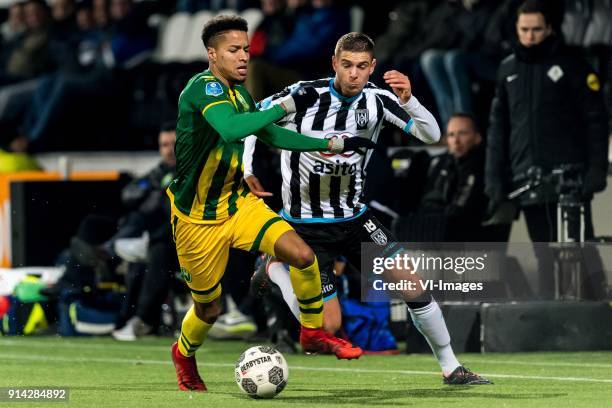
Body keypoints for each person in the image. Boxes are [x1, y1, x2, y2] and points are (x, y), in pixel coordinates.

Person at [245, 32, 490, 385]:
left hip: (356, 218)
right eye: (346, 65)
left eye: (362, 66)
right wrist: (248, 170)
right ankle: (273, 270)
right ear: (334, 64)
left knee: (413, 284)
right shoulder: (303, 95)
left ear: (372, 67)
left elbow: (431, 134)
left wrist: (410, 101)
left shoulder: (378, 101)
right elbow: (253, 122)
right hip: (306, 226)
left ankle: (452, 367)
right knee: (327, 327)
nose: (354, 74)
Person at [167, 15, 377, 392]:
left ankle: (311, 334)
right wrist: (283, 106)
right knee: (209, 309)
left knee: (302, 254)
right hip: (197, 219)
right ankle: (183, 353)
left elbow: (271, 133)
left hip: (237, 203)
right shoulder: (202, 89)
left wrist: (329, 145)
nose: (244, 56)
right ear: (212, 54)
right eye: (234, 50)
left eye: (246, 48)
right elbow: (232, 129)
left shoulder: (242, 94)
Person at [485, 0, 609, 297]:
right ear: (516, 28)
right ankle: (550, 320)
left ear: (549, 28)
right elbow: (497, 131)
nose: (530, 36)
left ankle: (595, 315)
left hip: (570, 179)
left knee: (579, 251)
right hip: (527, 179)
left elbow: (596, 121)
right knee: (543, 253)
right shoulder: (507, 69)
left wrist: (596, 170)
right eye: (524, 29)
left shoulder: (573, 65)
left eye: (536, 29)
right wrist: (494, 181)